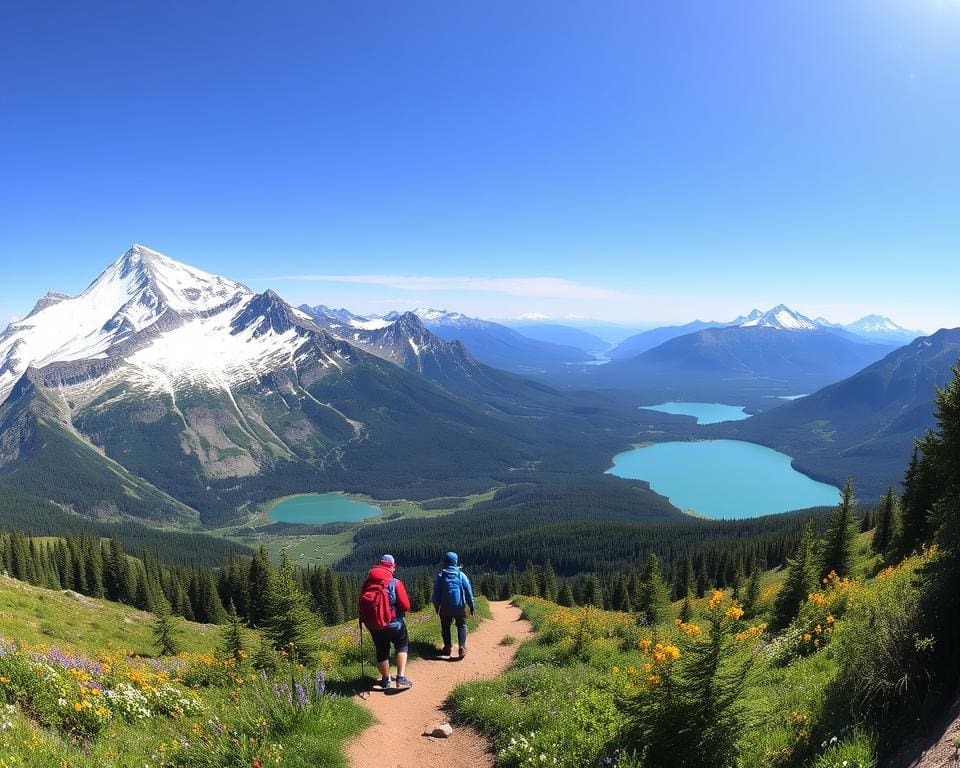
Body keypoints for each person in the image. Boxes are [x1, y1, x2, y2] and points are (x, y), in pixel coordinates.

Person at [360, 554, 412, 689]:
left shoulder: (368, 583)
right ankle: (401, 678)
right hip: (395, 624)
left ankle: (385, 680)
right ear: (391, 567)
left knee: (381, 650)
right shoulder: (395, 583)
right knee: (402, 645)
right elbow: (406, 606)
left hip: (374, 626)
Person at [432, 551, 475, 659]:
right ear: (455, 562)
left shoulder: (441, 576)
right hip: (460, 606)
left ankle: (447, 647)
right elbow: (469, 592)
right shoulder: (461, 575)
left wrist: (436, 606)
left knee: (445, 627)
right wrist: (471, 605)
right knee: (461, 625)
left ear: (445, 562)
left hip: (445, 608)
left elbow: (436, 593)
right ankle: (462, 647)